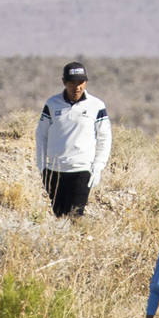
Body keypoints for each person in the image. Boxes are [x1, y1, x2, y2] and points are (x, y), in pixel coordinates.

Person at [35, 61, 112, 217]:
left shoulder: (96, 105)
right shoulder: (52, 104)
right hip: (55, 170)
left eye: (80, 82)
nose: (77, 87)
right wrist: (42, 165)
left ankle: (76, 239)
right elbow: (41, 134)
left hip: (81, 169)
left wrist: (98, 166)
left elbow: (105, 137)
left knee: (75, 215)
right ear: (64, 82)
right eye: (72, 82)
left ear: (85, 82)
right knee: (59, 215)